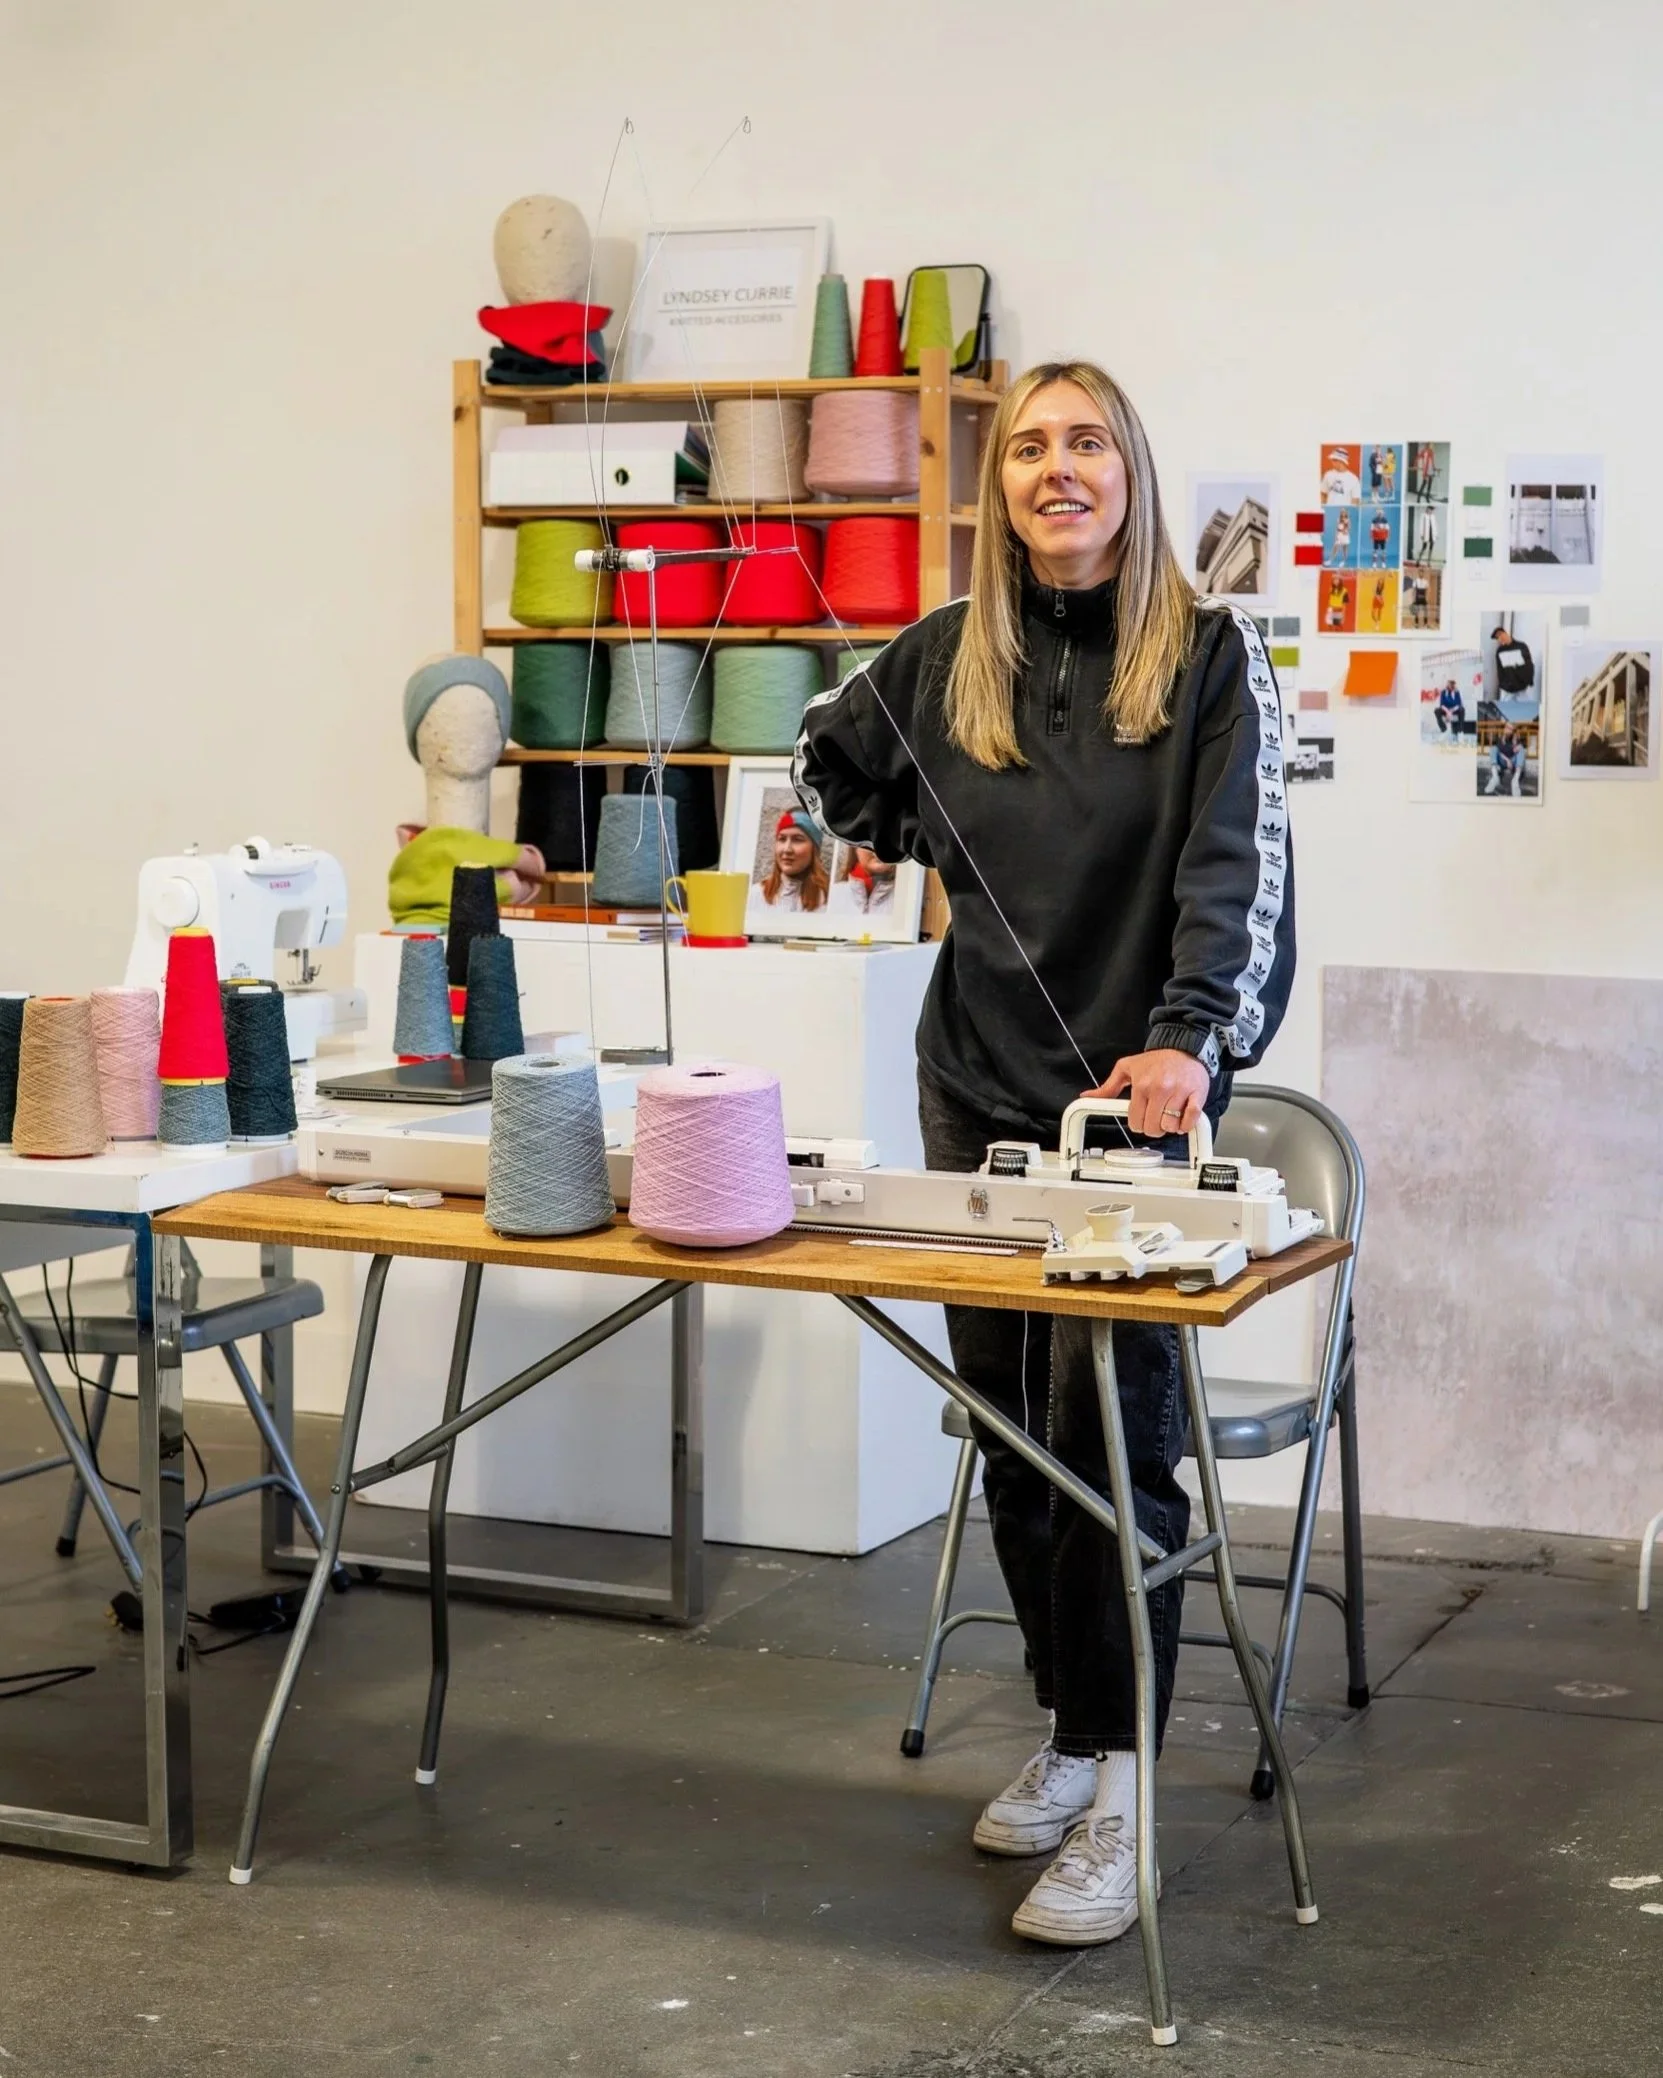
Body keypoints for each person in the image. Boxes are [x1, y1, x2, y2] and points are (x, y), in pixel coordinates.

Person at [794, 359, 1294, 1949]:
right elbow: (824, 760)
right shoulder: (947, 653)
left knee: (1112, 1449)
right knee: (1014, 1440)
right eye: (1025, 447)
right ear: (998, 485)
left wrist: (1191, 1035)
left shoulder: (1207, 658)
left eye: (1084, 442)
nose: (1054, 468)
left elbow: (1236, 866)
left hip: (1128, 1115)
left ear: (1128, 470)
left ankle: (1129, 1784)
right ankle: (1073, 1732)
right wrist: (917, 835)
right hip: (973, 1097)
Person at [758, 807, 829, 912]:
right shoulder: (755, 896)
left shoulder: (829, 901)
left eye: (797, 840)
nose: (787, 849)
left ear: (814, 849)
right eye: (782, 839)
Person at [828, 844, 896, 916]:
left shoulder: (903, 898)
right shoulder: (834, 896)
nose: (879, 848)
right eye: (869, 841)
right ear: (855, 848)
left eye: (888, 841)